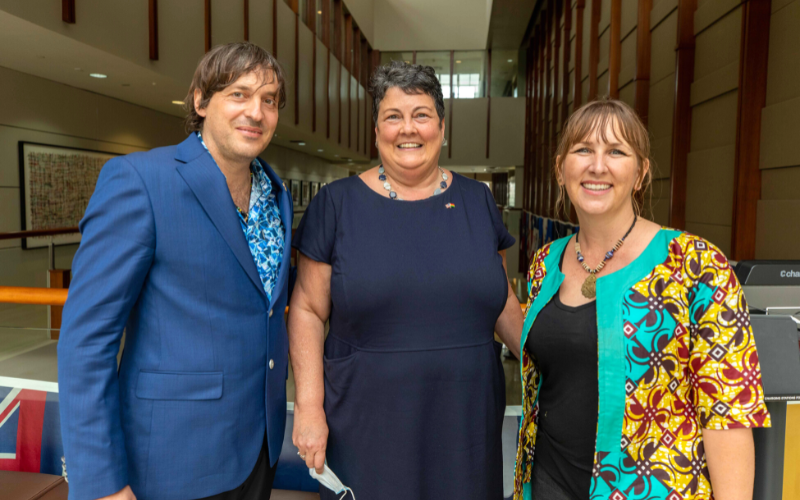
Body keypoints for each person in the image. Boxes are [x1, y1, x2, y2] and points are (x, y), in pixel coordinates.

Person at [58, 43, 293, 500]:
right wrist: (101, 482)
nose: (257, 112)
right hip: (171, 458)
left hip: (257, 450)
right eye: (239, 94)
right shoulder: (140, 180)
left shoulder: (274, 192)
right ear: (201, 102)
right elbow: (87, 340)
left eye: (269, 100)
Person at [288, 61, 523, 500]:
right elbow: (306, 309)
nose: (407, 128)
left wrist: (552, 364)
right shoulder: (336, 205)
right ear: (376, 129)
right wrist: (307, 406)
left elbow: (501, 298)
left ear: (442, 127)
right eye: (393, 116)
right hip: (366, 419)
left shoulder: (479, 202)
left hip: (467, 417)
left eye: (421, 114)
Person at [513, 98, 771, 500]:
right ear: (561, 168)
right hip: (546, 483)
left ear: (641, 172)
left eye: (616, 152)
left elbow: (728, 415)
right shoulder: (546, 263)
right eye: (583, 150)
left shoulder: (696, 264)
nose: (598, 166)